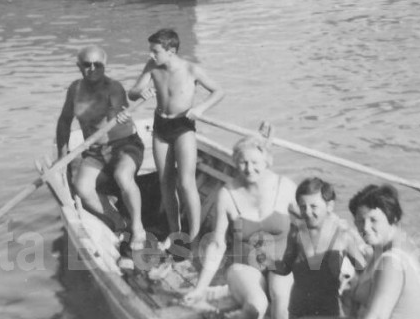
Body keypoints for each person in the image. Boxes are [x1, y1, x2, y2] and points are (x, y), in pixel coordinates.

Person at [127, 28, 224, 253]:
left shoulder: (191, 69)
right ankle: (174, 234)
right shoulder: (152, 66)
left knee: (186, 182)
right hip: (161, 126)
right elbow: (132, 93)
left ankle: (195, 236)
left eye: (155, 51)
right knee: (165, 182)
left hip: (183, 126)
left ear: (171, 51)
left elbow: (219, 91)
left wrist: (200, 108)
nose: (151, 55)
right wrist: (140, 91)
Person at [182, 136, 297, 319]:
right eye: (243, 163)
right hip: (244, 269)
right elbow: (217, 245)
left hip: (279, 267)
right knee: (257, 306)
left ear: (267, 162)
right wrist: (200, 289)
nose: (249, 169)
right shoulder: (227, 195)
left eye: (255, 162)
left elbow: (312, 220)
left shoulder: (285, 187)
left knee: (282, 304)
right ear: (236, 163)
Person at [55, 46, 147, 250]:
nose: (92, 69)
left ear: (105, 66)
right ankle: (119, 224)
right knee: (82, 188)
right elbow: (64, 121)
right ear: (79, 66)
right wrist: (63, 157)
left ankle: (138, 227)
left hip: (125, 146)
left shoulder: (113, 87)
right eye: (87, 65)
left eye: (98, 65)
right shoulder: (74, 89)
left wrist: (118, 114)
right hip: (96, 151)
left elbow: (119, 105)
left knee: (123, 176)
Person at [279, 177, 371, 319]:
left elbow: (364, 270)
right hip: (298, 309)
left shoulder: (343, 236)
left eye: (313, 206)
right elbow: (285, 267)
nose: (308, 212)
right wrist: (265, 262)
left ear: (329, 206)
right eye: (303, 207)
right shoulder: (296, 232)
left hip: (328, 309)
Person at [344, 184, 420, 319]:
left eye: (373, 220)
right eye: (361, 221)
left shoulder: (392, 260)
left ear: (393, 218)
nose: (366, 227)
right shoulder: (397, 244)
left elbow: (378, 316)